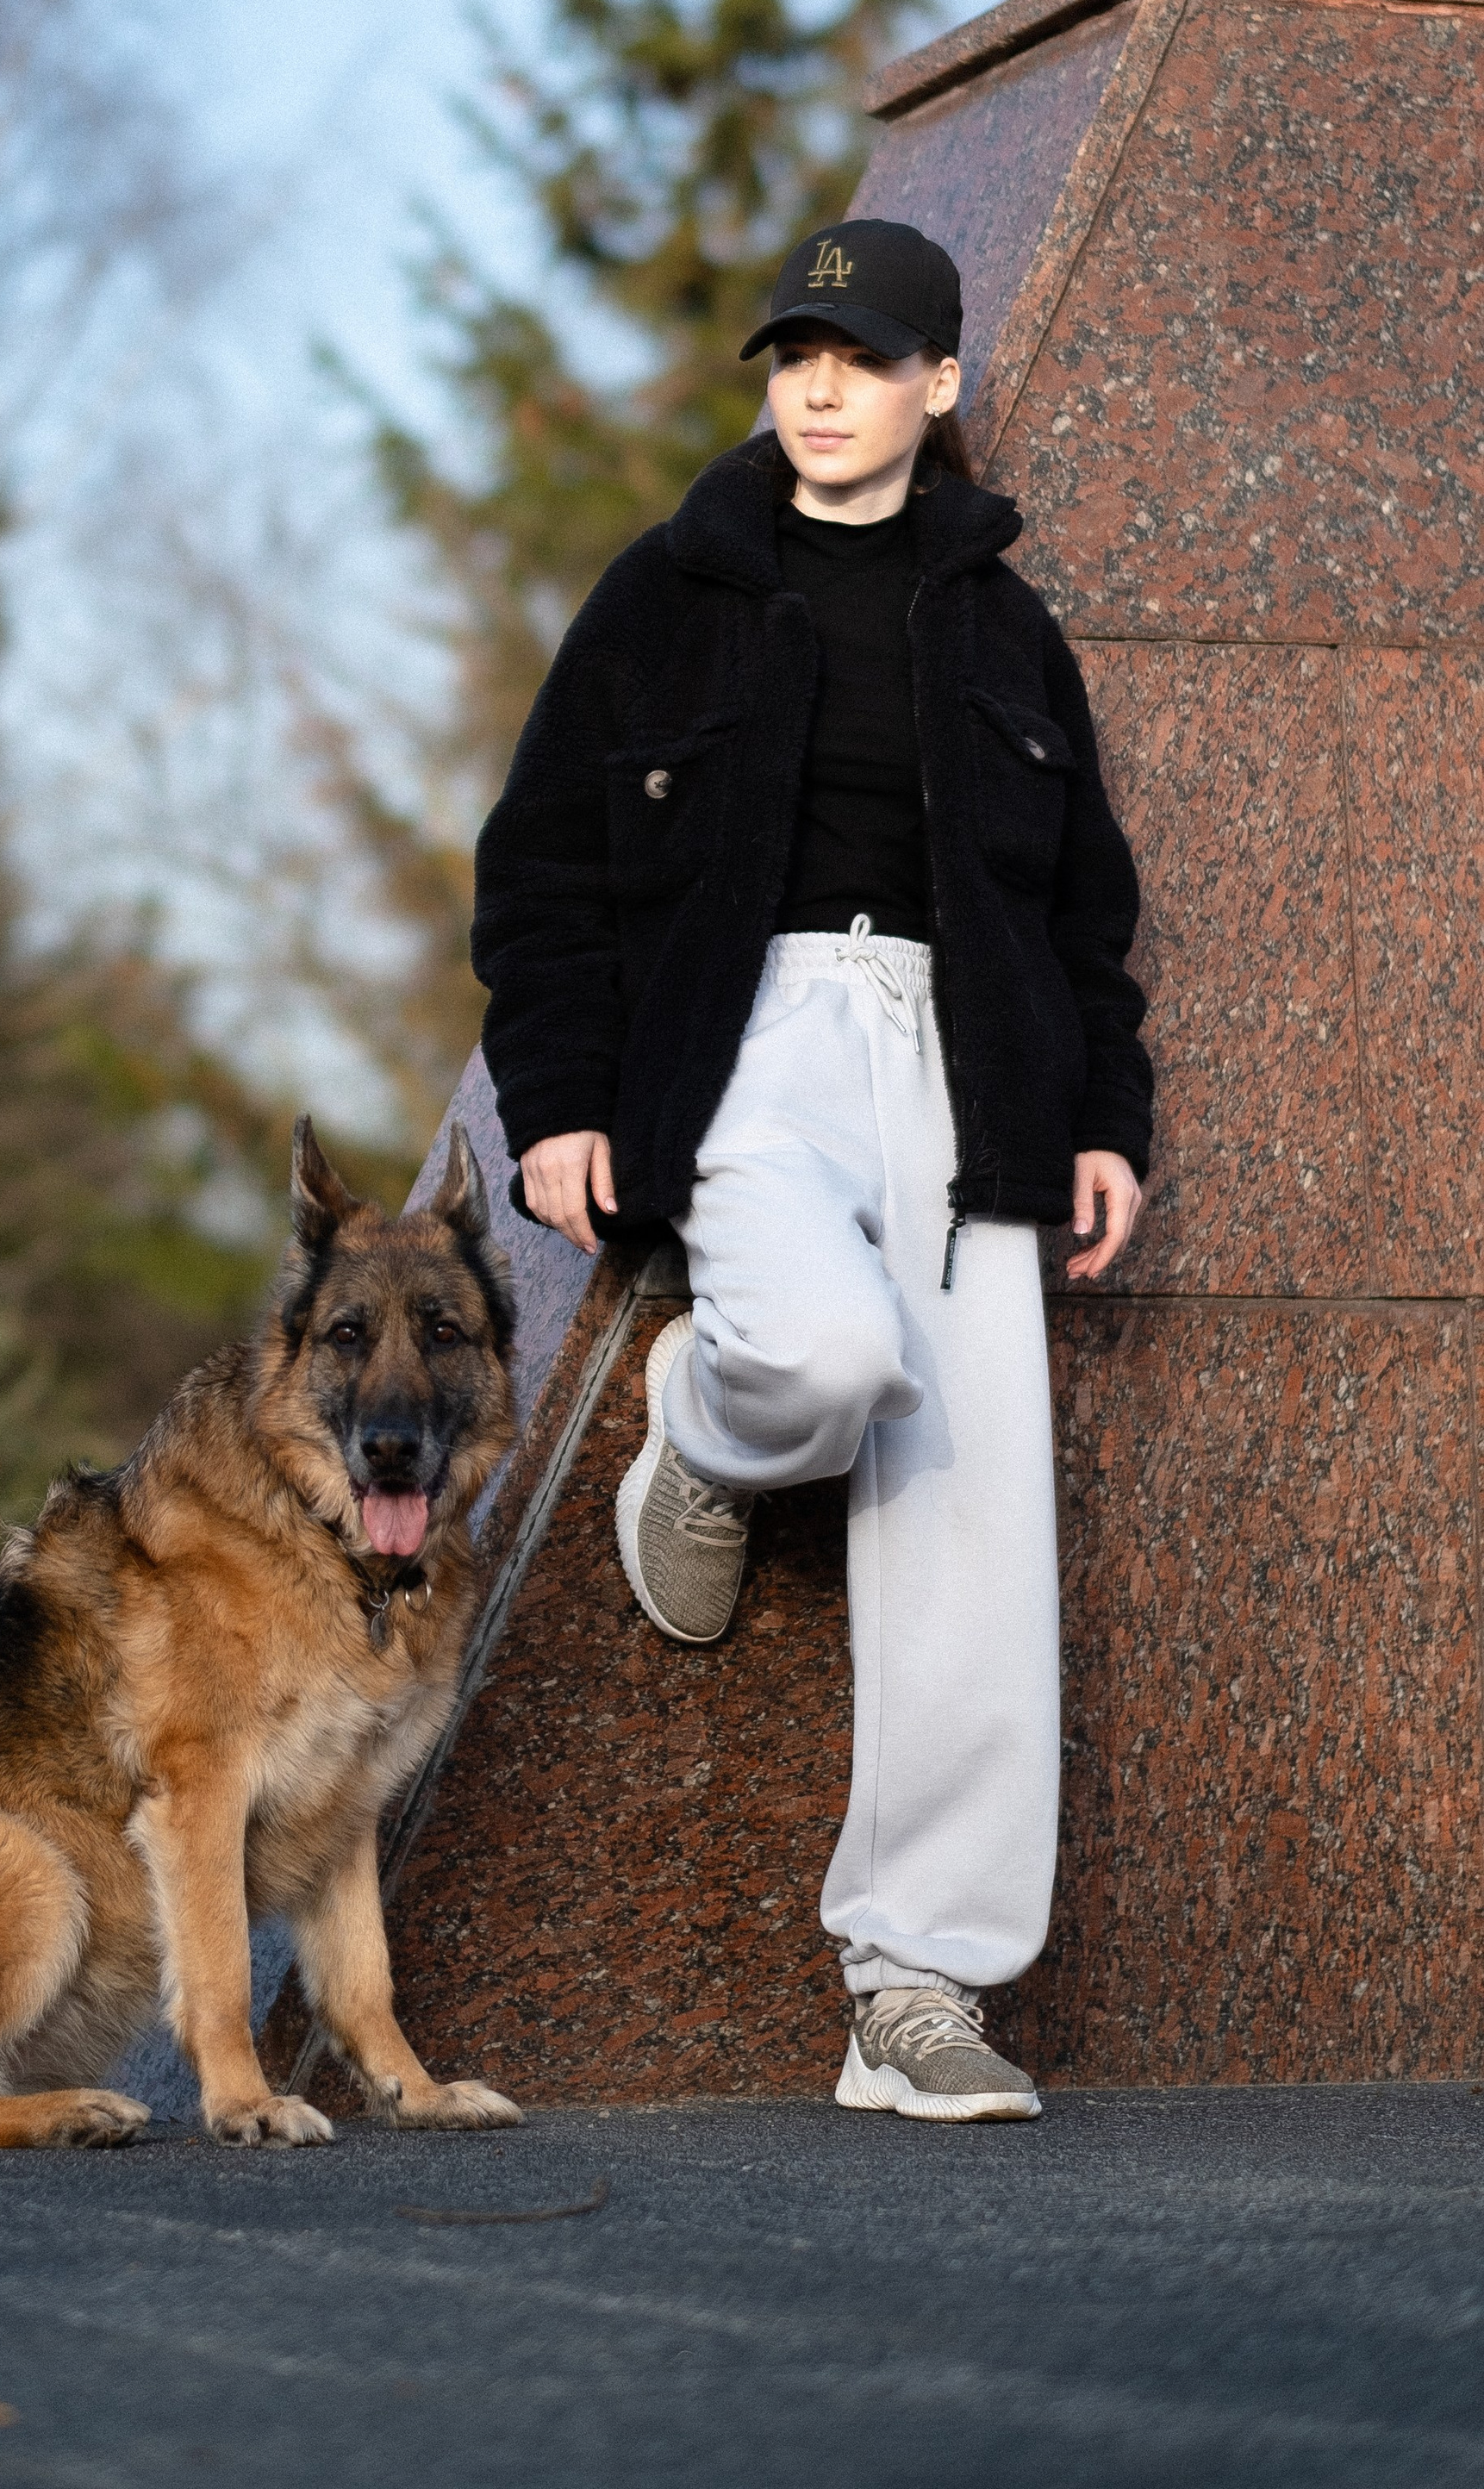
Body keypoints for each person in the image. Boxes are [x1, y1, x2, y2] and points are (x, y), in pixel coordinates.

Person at [470, 217, 1151, 2124]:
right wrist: (557, 1105)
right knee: (830, 1365)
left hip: (966, 1067)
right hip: (745, 1051)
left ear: (937, 387)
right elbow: (538, 873)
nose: (820, 390)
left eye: (860, 359)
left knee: (973, 1526)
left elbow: (1078, 909)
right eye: (792, 359)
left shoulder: (1003, 624)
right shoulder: (668, 592)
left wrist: (1100, 1118)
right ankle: (700, 1424)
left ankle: (913, 1986)